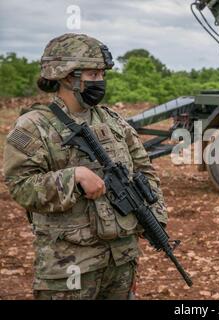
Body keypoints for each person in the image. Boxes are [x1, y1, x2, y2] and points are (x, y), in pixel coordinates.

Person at [3, 33, 168, 300]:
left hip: (121, 260)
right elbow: (21, 186)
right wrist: (73, 177)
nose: (100, 80)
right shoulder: (34, 126)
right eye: (92, 73)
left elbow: (145, 171)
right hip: (70, 263)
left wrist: (151, 219)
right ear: (67, 76)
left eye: (102, 73)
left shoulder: (114, 121)